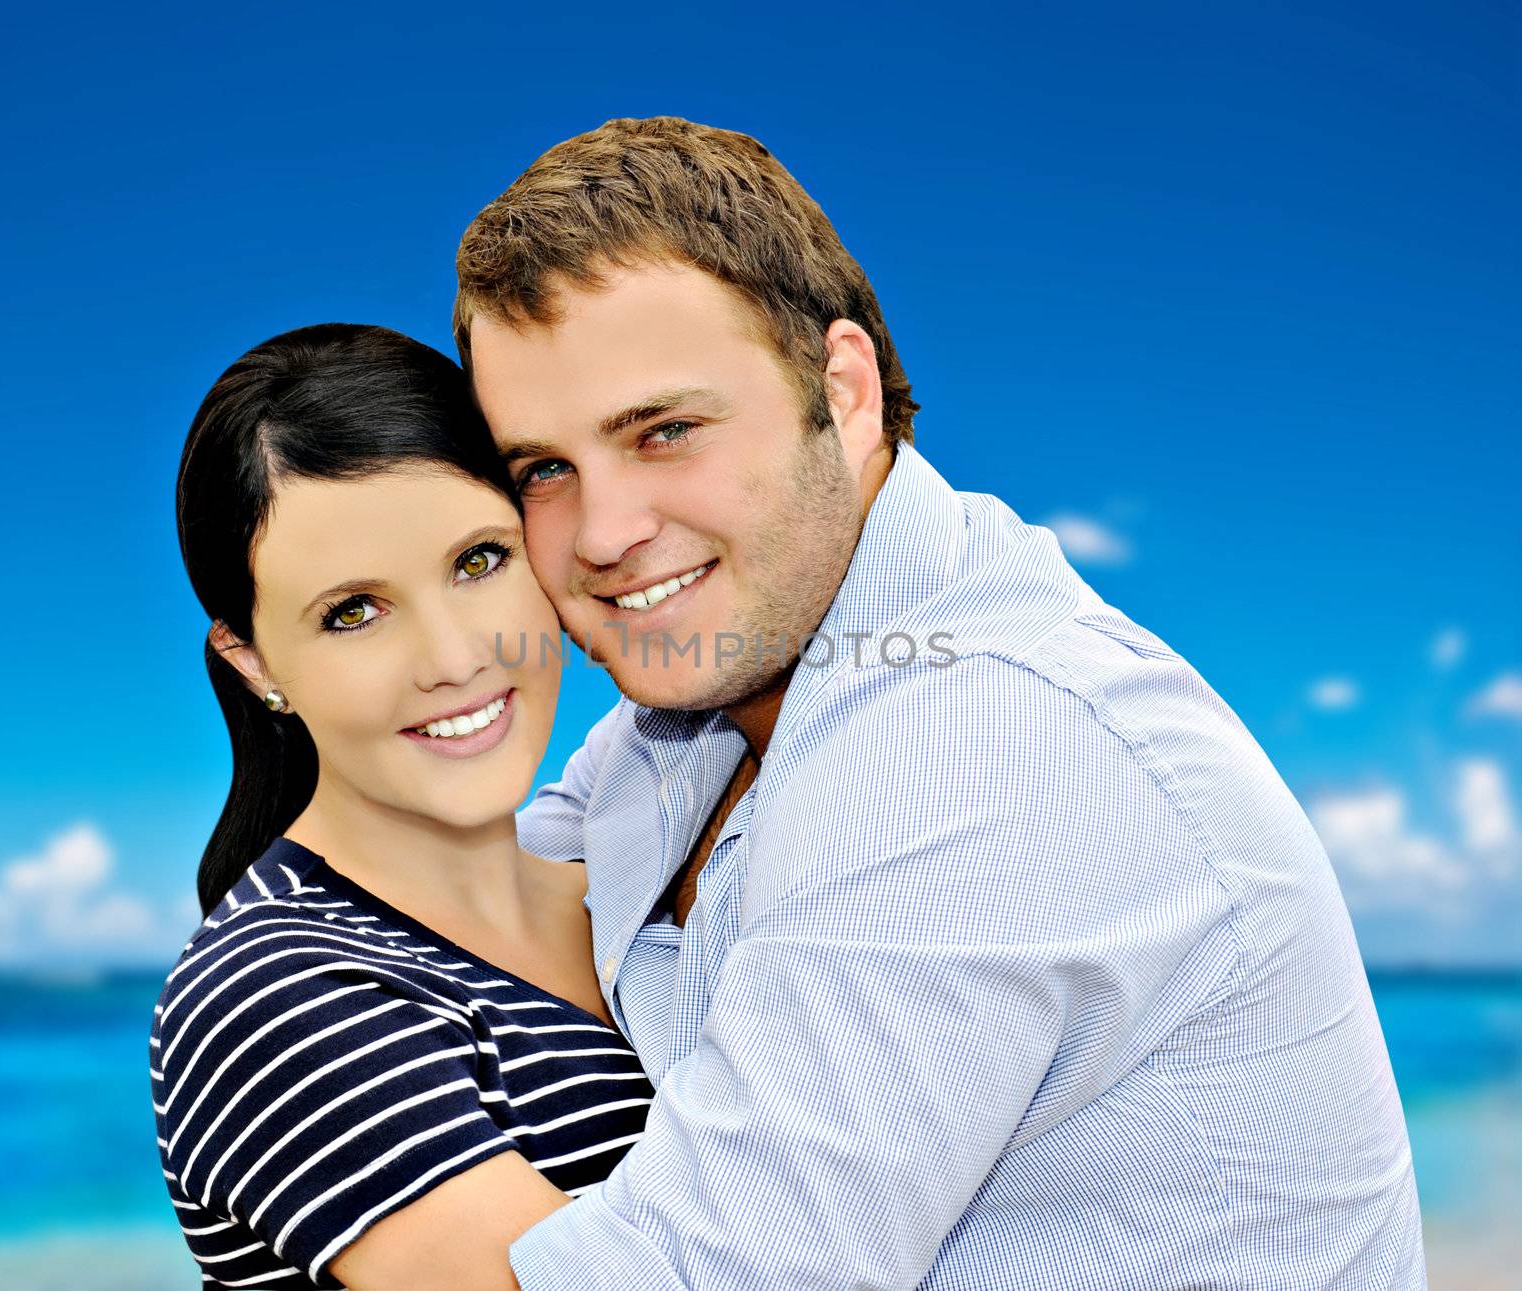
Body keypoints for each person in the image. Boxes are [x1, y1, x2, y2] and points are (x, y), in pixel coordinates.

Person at [456, 116, 1427, 1289]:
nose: (604, 535)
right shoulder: (693, 719)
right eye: (541, 471)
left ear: (845, 390)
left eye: (665, 430)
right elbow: (439, 912)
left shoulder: (973, 735)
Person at [152, 324, 654, 1291]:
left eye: (478, 562)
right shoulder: (271, 993)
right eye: (354, 611)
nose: (454, 657)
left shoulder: (641, 882)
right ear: (254, 662)